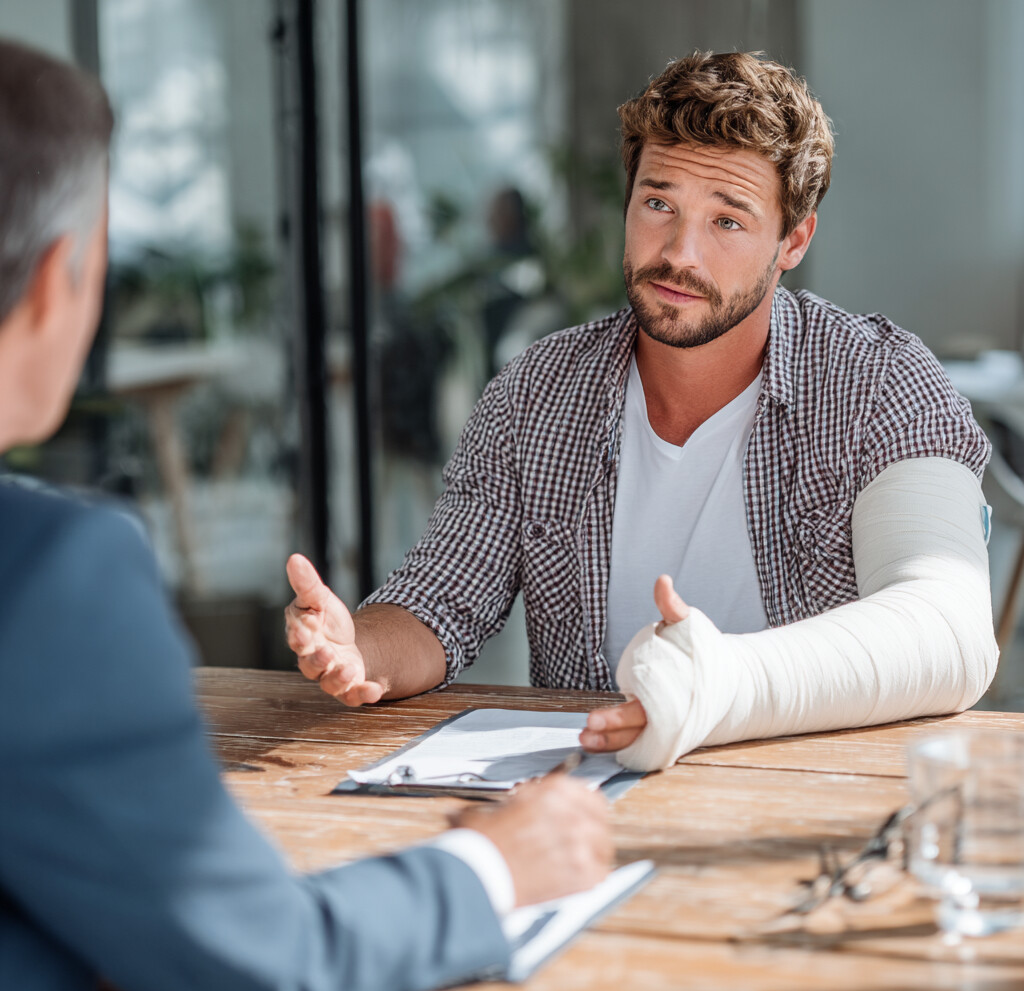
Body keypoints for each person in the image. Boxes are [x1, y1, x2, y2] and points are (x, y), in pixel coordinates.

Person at [0, 39, 612, 991]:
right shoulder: (47, 578)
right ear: (55, 281)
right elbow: (270, 966)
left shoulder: (856, 378)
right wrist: (492, 864)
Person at [285, 51, 997, 770]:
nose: (680, 253)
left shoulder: (876, 382)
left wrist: (716, 684)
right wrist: (360, 646)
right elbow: (442, 602)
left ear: (793, 241)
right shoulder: (538, 392)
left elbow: (948, 631)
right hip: (589, 806)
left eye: (728, 221)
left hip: (807, 804)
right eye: (660, 203)